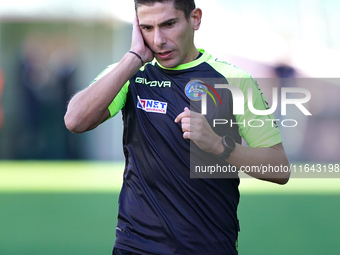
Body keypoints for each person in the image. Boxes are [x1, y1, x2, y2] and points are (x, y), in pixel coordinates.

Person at [64, 0, 290, 254]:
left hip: (208, 246)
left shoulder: (234, 81)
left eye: (168, 24)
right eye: (147, 28)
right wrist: (133, 59)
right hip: (135, 245)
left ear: (195, 19)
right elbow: (75, 120)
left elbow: (279, 168)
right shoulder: (130, 74)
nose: (158, 39)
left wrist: (219, 146)